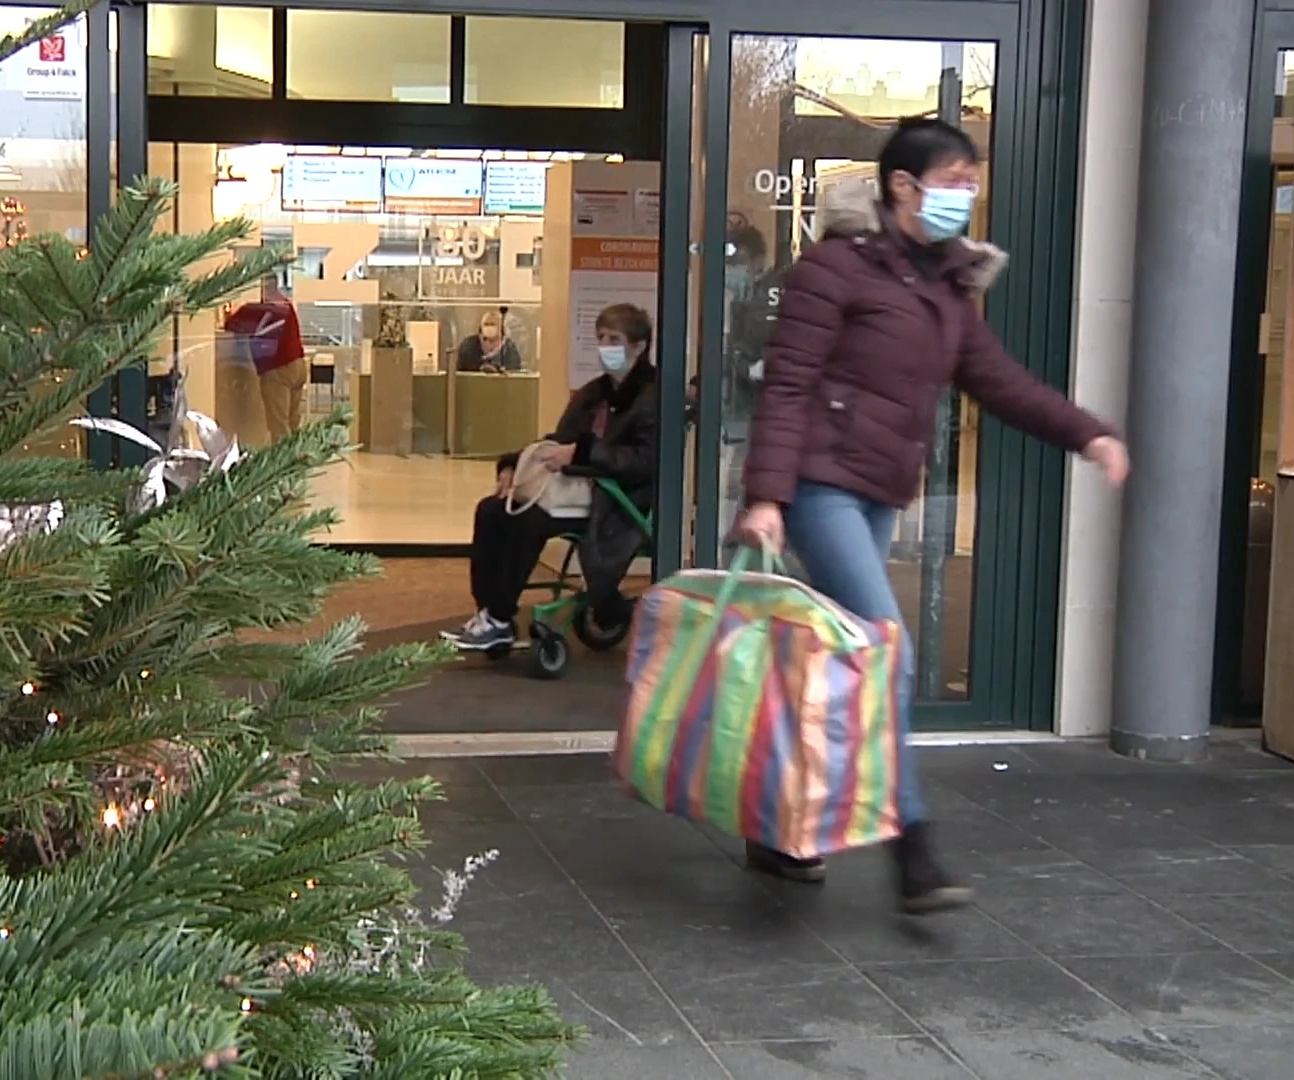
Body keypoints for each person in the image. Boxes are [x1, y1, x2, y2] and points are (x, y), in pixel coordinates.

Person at [733, 118, 1130, 915]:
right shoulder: (833, 269)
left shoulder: (947, 285)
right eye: (952, 180)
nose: (966, 195)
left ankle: (781, 830)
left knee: (837, 668)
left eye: (971, 181)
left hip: (878, 489)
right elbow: (788, 385)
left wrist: (1086, 431)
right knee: (888, 655)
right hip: (820, 485)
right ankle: (911, 847)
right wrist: (768, 496)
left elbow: (1001, 381)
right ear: (901, 187)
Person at [448, 303, 657, 652]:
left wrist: (583, 453)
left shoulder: (652, 397)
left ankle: (499, 617)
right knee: (492, 510)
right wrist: (514, 465)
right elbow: (558, 439)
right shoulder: (595, 392)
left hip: (619, 499)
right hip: (576, 490)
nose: (606, 346)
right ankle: (489, 613)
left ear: (639, 346)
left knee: (529, 520)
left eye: (614, 339)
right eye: (601, 338)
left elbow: (643, 461)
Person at [224, 276, 308, 444]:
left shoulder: (258, 308)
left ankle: (282, 466)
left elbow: (231, 324)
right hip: (299, 364)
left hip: (278, 368)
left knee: (278, 424)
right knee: (293, 421)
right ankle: (296, 461)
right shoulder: (285, 304)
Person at [455, 310, 524, 373]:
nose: (489, 327)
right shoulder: (469, 345)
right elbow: (461, 371)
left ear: (501, 328)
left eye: (492, 324)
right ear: (480, 327)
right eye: (486, 324)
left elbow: (514, 372)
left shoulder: (509, 347)